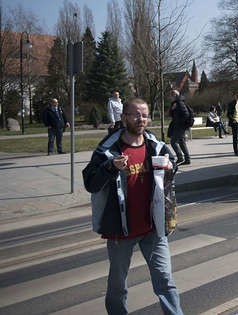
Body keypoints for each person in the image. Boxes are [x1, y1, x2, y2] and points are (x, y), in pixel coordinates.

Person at [82, 97, 183, 315]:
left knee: (165, 280)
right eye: (136, 114)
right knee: (118, 286)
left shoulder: (154, 145)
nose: (141, 119)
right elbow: (90, 183)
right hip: (121, 231)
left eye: (145, 115)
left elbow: (173, 163)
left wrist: (169, 165)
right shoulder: (108, 149)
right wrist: (109, 167)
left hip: (153, 228)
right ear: (123, 117)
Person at [168, 90, 191, 165]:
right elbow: (170, 114)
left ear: (174, 95)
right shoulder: (175, 103)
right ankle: (187, 159)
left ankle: (180, 157)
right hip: (178, 125)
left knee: (173, 142)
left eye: (171, 96)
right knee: (182, 142)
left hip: (180, 126)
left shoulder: (180, 103)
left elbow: (186, 114)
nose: (170, 98)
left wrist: (180, 123)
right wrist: (172, 108)